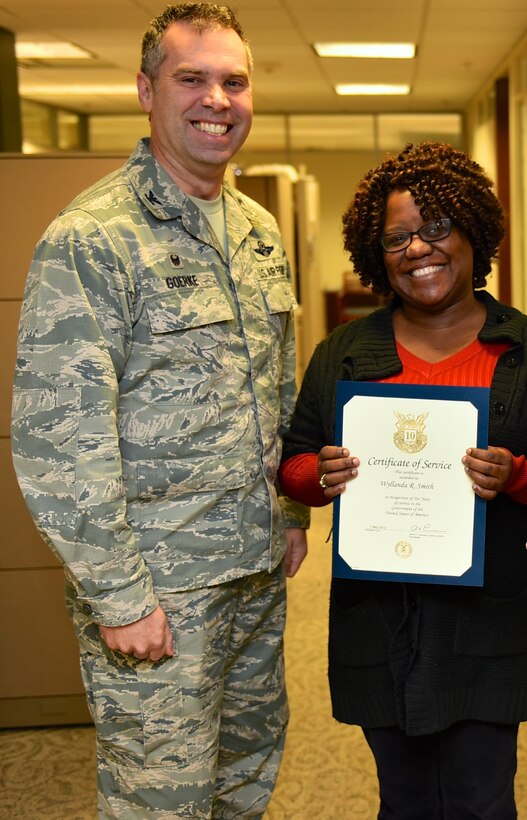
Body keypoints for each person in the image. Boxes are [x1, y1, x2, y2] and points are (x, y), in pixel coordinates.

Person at [11, 4, 309, 817]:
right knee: (159, 800)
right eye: (191, 79)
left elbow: (277, 386)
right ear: (146, 91)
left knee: (243, 781)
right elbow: (58, 435)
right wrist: (119, 596)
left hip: (253, 574)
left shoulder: (256, 230)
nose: (217, 99)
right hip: (161, 591)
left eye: (234, 81)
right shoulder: (93, 237)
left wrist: (288, 508)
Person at [279, 141, 527, 819]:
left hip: (490, 618)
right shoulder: (344, 352)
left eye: (436, 227)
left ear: (473, 232)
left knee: (481, 800)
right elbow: (294, 464)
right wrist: (319, 475)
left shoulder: (519, 350)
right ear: (376, 253)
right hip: (378, 617)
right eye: (397, 238)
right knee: (404, 801)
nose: (418, 248)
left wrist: (514, 474)